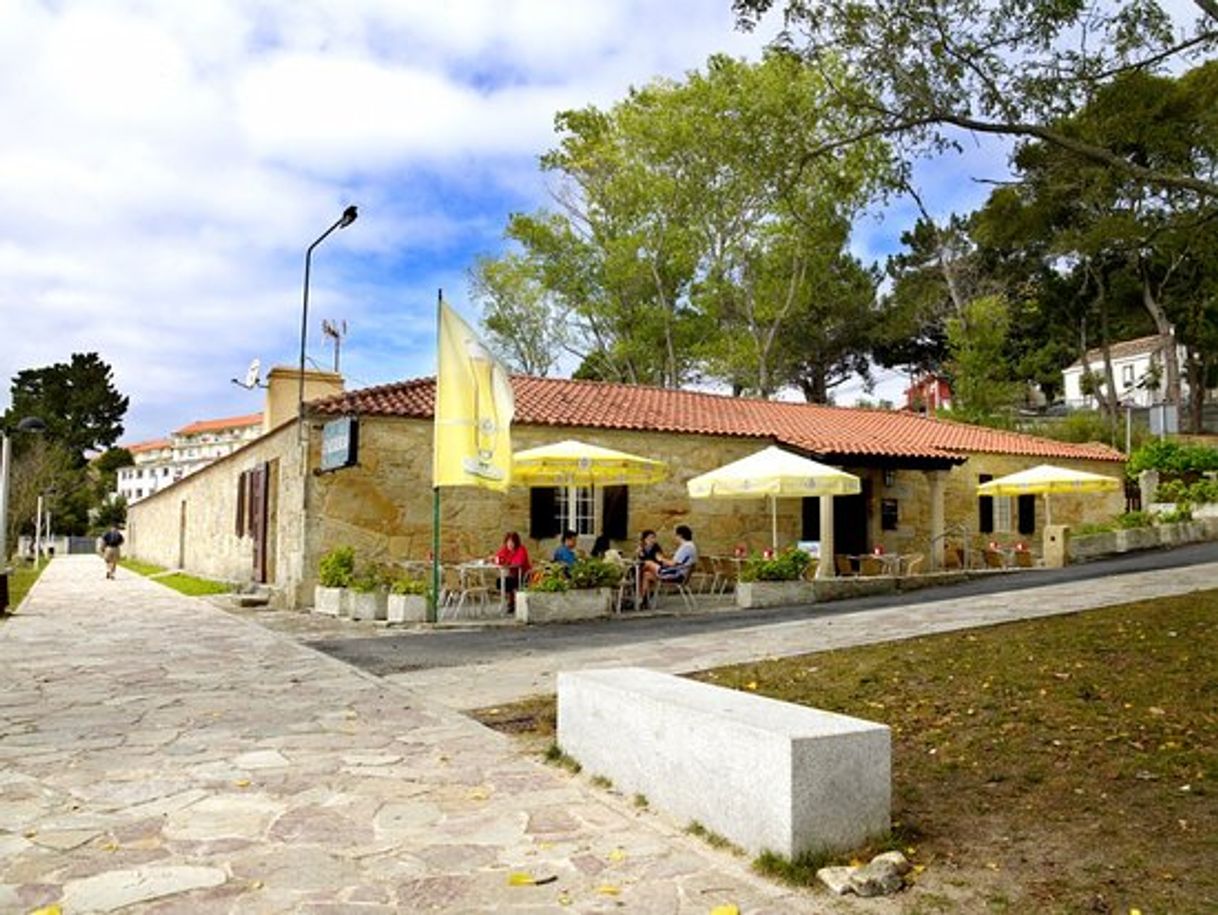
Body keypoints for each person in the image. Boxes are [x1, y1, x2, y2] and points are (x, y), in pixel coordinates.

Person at [492, 531, 530, 615]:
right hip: (512, 575)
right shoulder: (505, 550)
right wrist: (495, 560)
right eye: (508, 542)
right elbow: (497, 558)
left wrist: (506, 562)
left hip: (523, 575)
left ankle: (513, 603)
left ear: (516, 543)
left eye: (512, 542)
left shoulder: (521, 549)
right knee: (500, 581)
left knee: (508, 582)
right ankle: (511, 602)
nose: (510, 544)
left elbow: (518, 562)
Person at [635, 529, 665, 608]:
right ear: (645, 539)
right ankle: (643, 599)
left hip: (655, 572)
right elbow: (639, 560)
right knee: (645, 575)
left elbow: (660, 560)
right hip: (644, 571)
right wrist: (639, 554)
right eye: (650, 538)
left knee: (647, 566)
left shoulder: (657, 548)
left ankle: (642, 598)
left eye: (653, 538)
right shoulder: (641, 548)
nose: (652, 540)